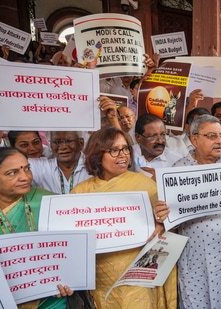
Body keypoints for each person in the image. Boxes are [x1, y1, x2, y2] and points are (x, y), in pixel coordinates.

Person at [70, 126, 176, 308]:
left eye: (125, 148)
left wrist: (162, 224)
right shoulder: (81, 192)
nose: (123, 155)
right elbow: (73, 243)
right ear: (97, 155)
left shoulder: (144, 184)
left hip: (138, 275)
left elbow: (169, 226)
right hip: (101, 278)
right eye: (114, 150)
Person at [0, 147, 74, 308]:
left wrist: (67, 278)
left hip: (51, 297)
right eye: (12, 173)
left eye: (27, 169)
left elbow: (70, 248)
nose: (25, 177)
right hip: (0, 300)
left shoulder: (45, 199)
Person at [157, 114, 221, 308]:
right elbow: (170, 220)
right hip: (194, 259)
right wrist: (163, 213)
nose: (219, 141)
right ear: (194, 139)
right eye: (211, 136)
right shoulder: (178, 171)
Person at [133, 113, 182, 180]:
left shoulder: (177, 161)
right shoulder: (128, 156)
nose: (160, 141)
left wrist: (162, 179)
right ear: (138, 137)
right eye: (153, 136)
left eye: (163, 134)